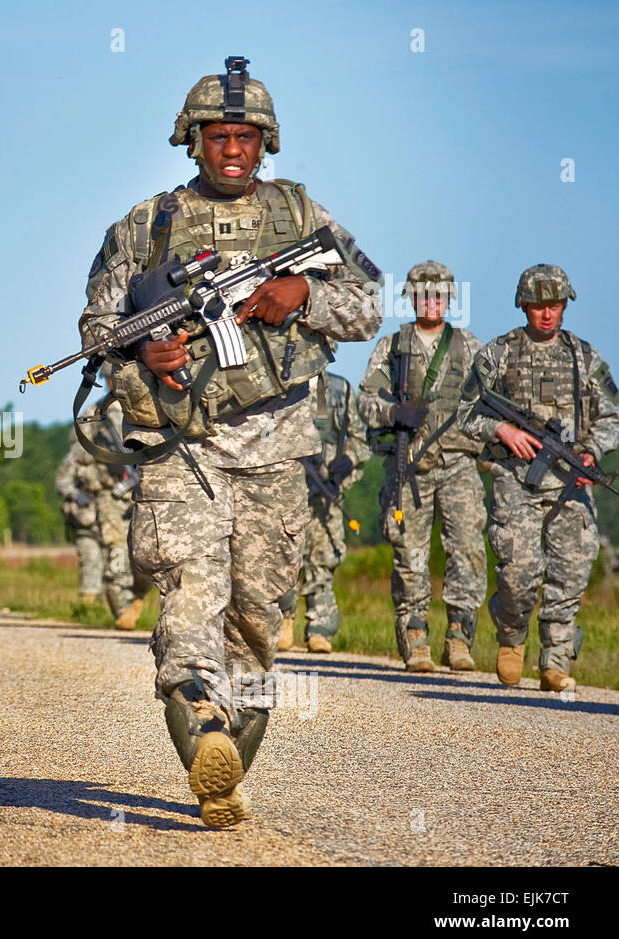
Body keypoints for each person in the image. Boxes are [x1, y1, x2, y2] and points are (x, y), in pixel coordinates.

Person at [78, 57, 380, 826]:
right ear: (194, 139)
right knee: (190, 592)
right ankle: (203, 723)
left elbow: (370, 301)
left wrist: (305, 292)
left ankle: (226, 761)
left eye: (246, 136)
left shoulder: (304, 216)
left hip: (278, 446)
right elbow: (95, 326)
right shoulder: (146, 225)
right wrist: (141, 350)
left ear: (265, 140)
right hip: (182, 444)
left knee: (254, 616)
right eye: (219, 135)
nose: (233, 149)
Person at [456, 264, 619, 692]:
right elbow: (464, 413)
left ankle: (556, 661)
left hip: (571, 483)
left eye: (554, 305)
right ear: (523, 306)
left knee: (570, 575)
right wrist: (502, 430)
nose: (546, 314)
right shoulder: (499, 353)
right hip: (516, 481)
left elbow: (611, 416)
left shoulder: (585, 357)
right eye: (537, 306)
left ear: (565, 305)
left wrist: (592, 451)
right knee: (519, 574)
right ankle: (511, 635)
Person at [357, 261, 487, 672]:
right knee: (408, 552)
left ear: (450, 299)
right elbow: (364, 401)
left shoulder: (469, 347)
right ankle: (414, 636)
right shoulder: (393, 347)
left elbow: (491, 405)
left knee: (466, 549)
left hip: (459, 464)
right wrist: (393, 412)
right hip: (409, 465)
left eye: (439, 295)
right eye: (423, 295)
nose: (431, 303)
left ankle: (460, 636)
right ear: (410, 299)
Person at [278, 371, 369, 653]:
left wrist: (348, 460)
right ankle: (282, 620)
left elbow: (360, 440)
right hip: (285, 489)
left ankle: (320, 627)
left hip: (327, 490)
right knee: (283, 557)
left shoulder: (340, 389)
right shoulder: (282, 384)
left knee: (324, 557)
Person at [72, 395, 152, 628]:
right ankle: (122, 609)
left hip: (145, 488)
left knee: (147, 552)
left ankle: (137, 596)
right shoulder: (95, 410)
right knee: (115, 547)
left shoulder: (147, 398)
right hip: (110, 492)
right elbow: (79, 453)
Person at [55, 408, 104, 605]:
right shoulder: (77, 455)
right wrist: (77, 495)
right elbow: (62, 481)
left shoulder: (114, 450)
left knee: (116, 562)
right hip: (85, 516)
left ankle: (114, 605)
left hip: (111, 513)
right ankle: (88, 603)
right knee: (90, 558)